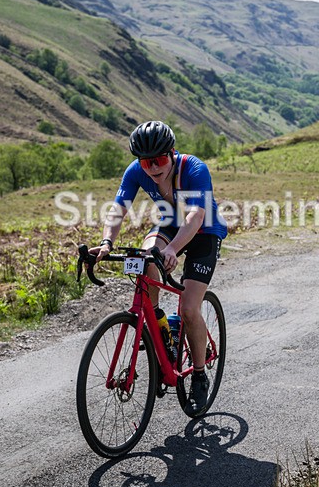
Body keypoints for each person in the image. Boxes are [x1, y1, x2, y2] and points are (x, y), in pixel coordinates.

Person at [89, 120, 228, 413]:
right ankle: (161, 329)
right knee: (145, 256)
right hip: (169, 223)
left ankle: (200, 375)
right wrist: (106, 243)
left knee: (190, 309)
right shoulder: (136, 171)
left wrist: (173, 250)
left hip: (204, 230)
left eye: (160, 160)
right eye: (146, 162)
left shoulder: (194, 169)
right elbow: (118, 208)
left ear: (172, 153)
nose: (153, 168)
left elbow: (195, 217)